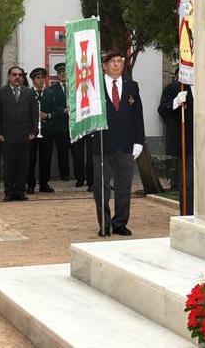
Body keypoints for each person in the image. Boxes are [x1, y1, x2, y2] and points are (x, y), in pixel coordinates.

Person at [90, 50, 146, 237]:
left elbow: (138, 115)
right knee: (102, 188)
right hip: (102, 144)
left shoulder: (131, 86)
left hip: (126, 145)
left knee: (124, 186)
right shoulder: (94, 86)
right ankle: (104, 223)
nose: (116, 65)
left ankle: (120, 223)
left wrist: (139, 141)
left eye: (119, 62)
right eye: (112, 61)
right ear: (104, 65)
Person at [0, 66, 38, 201]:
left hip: (25, 135)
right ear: (9, 77)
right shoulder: (0, 92)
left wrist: (34, 131)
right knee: (9, 166)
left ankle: (21, 192)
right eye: (14, 75)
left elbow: (35, 114)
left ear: (23, 77)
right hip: (7, 135)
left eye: (20, 75)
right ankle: (9, 192)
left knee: (23, 165)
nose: (17, 77)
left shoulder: (29, 93)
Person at [157, 80, 193, 199]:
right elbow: (162, 110)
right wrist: (175, 103)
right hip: (186, 144)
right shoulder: (175, 88)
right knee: (188, 182)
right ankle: (187, 214)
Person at [47, 63, 79, 187]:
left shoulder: (74, 86)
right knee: (62, 152)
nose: (62, 74)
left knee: (77, 152)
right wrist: (63, 110)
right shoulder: (52, 89)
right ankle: (64, 175)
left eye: (64, 72)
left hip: (74, 126)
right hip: (60, 126)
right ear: (57, 75)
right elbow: (52, 105)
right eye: (60, 72)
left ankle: (78, 174)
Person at [26, 68, 57, 193]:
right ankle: (30, 184)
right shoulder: (28, 94)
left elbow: (56, 111)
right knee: (30, 158)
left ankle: (44, 183)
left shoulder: (49, 94)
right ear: (33, 80)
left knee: (46, 158)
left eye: (42, 78)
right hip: (32, 131)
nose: (41, 80)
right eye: (38, 78)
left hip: (47, 130)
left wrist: (47, 115)